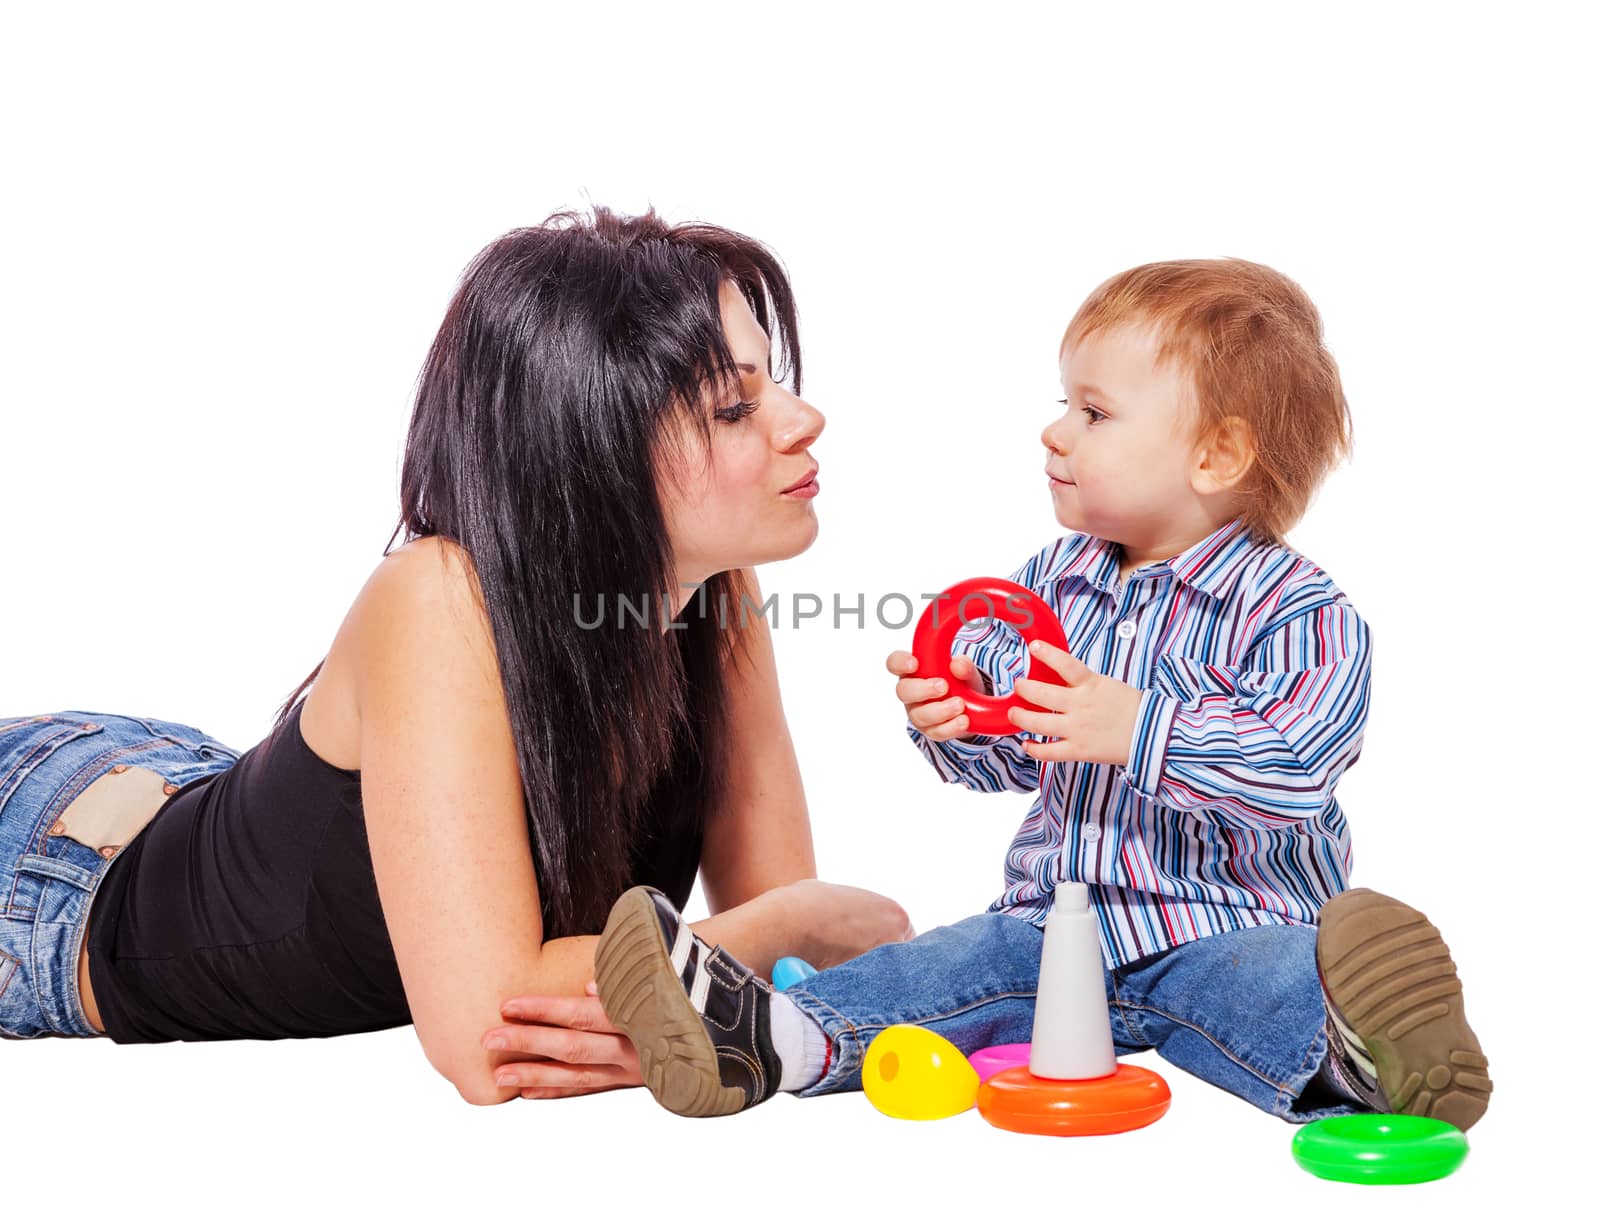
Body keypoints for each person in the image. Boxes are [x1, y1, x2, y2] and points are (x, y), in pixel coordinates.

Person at [0, 206, 915, 1105]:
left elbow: (786, 969)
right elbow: (493, 1034)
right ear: (592, 447)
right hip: (48, 874)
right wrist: (781, 939)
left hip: (170, 781)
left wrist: (750, 963)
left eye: (774, 383)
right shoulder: (438, 596)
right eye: (733, 405)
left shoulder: (716, 589)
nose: (806, 419)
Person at [589, 258, 1494, 1130]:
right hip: (1053, 920)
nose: (1054, 431)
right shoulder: (1050, 586)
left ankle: (1375, 1054)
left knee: (1273, 987)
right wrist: (953, 722)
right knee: (940, 966)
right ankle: (768, 1039)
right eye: (1064, 403)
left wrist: (1138, 727)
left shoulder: (1300, 612)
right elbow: (1009, 751)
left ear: (1218, 454)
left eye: (1094, 412)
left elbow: (1297, 769)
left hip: (1226, 924)